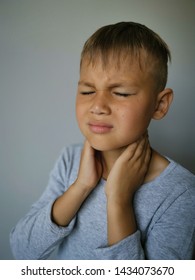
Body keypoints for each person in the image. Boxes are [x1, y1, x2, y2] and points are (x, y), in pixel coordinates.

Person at [10, 22, 195, 260]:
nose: (97, 106)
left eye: (121, 93)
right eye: (87, 91)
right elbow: (21, 251)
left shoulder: (182, 194)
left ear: (159, 105)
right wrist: (81, 187)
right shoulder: (70, 160)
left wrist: (119, 201)